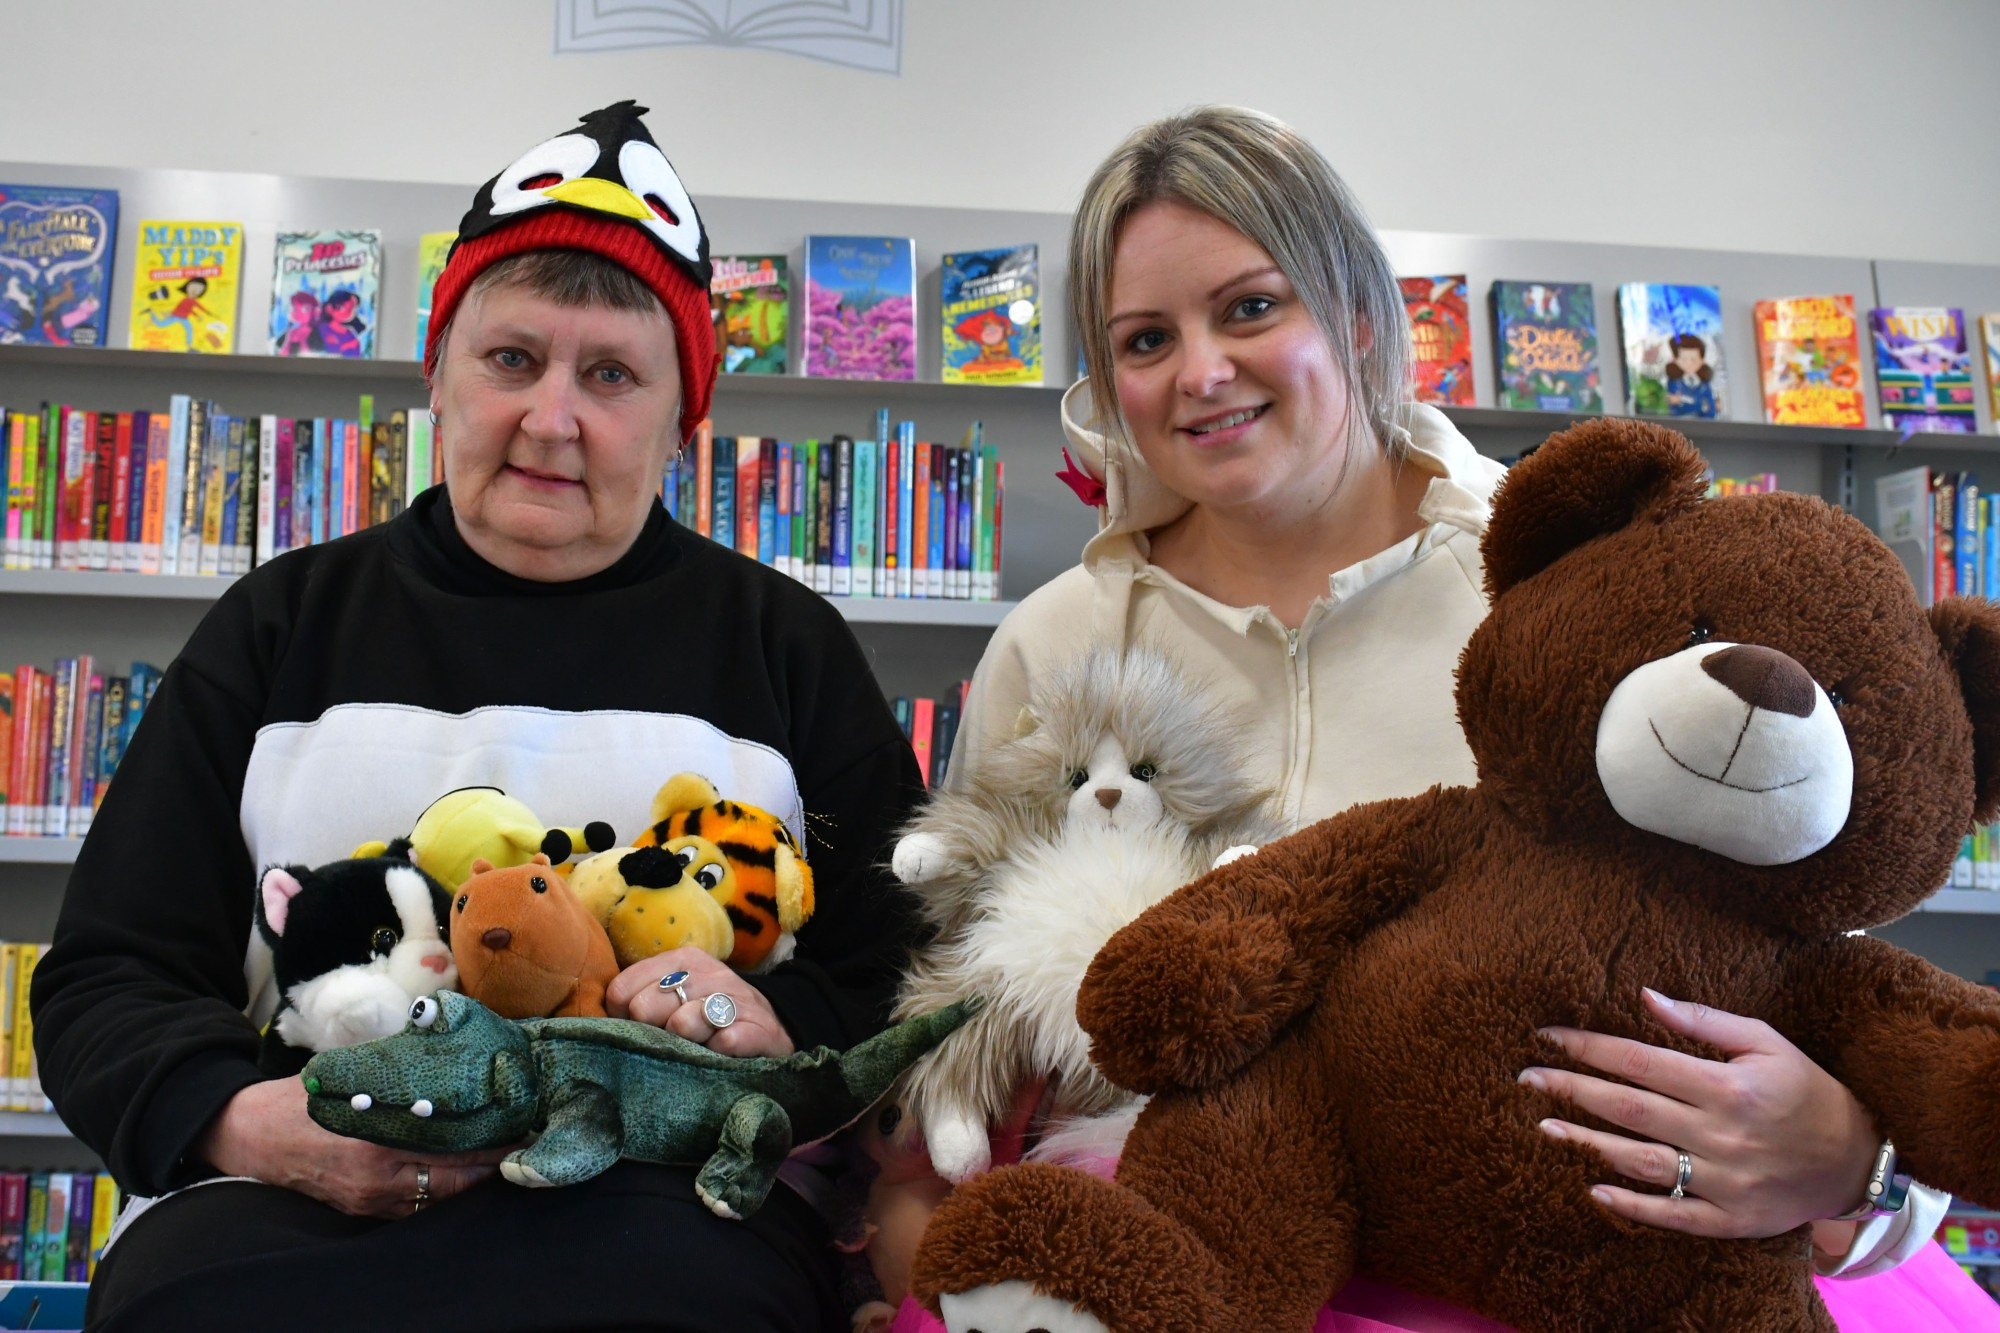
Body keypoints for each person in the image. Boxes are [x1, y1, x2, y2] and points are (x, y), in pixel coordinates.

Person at [882, 106, 1990, 1331]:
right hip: (1197, 1235)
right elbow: (965, 995)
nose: (1199, 371)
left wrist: (1855, 1162)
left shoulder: (1566, 590)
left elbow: (1811, 949)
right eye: (1145, 339)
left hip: (1573, 1253)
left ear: (1356, 318)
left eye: (1250, 307)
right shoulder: (1053, 640)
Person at [32, 101, 922, 1333]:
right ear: (437, 371)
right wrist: (253, 1123)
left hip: (669, 1218)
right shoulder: (278, 625)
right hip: (282, 1210)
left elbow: (905, 973)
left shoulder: (784, 648)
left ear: (685, 420)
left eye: (610, 374)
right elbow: (105, 976)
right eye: (512, 359)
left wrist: (770, 1027)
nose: (551, 418)